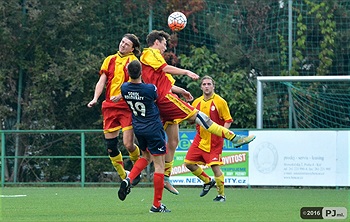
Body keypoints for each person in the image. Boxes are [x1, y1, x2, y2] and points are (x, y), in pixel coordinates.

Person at [140, 30, 256, 194]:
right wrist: (186, 72)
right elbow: (165, 69)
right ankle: (234, 138)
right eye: (164, 44)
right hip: (164, 99)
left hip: (163, 98)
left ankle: (165, 178)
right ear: (156, 42)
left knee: (173, 141)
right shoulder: (149, 53)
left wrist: (181, 91)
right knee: (201, 117)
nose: (165, 48)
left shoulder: (154, 62)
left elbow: (164, 82)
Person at [87, 34, 141, 185]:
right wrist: (95, 98)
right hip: (110, 107)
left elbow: (136, 84)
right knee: (111, 147)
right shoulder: (109, 59)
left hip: (126, 107)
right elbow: (102, 80)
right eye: (122, 41)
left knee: (128, 144)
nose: (123, 45)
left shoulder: (134, 61)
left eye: (126, 44)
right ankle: (124, 176)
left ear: (133, 48)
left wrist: (123, 95)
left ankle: (137, 170)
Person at [118, 60, 171, 213]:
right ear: (141, 72)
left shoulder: (124, 88)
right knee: (159, 166)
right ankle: (156, 205)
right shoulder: (149, 88)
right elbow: (156, 97)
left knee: (145, 157)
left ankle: (128, 179)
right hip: (153, 128)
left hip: (139, 128)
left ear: (128, 73)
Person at [185, 76, 232, 202]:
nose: (206, 86)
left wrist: (223, 134)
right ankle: (207, 181)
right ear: (201, 87)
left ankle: (221, 195)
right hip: (200, 139)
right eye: (204, 84)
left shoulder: (220, 101)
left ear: (213, 86)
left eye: (209, 84)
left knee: (215, 167)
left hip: (215, 141)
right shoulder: (196, 103)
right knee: (188, 163)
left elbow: (228, 120)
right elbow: (191, 121)